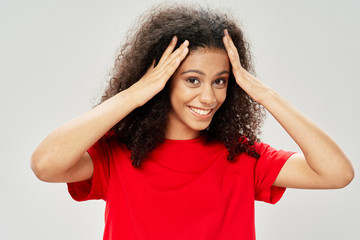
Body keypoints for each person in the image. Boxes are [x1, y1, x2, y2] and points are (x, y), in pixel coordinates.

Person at [31, 4, 354, 240]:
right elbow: (46, 165)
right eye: (193, 80)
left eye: (220, 81)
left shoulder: (242, 156)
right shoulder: (117, 153)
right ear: (163, 80)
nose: (209, 97)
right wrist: (135, 94)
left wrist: (265, 94)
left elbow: (336, 174)